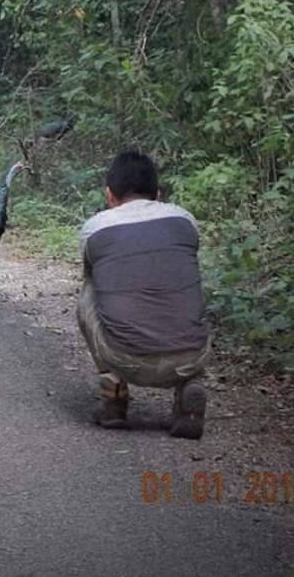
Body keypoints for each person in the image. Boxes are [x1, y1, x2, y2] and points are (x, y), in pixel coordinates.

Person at [77, 150, 211, 439]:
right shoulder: (185, 220)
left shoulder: (95, 228)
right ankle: (189, 385)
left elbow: (95, 279)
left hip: (124, 356)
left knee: (90, 290)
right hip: (191, 355)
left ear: (109, 195)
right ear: (158, 194)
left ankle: (113, 388)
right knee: (182, 283)